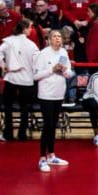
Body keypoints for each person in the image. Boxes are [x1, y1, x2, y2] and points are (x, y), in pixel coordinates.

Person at [32, 29, 74, 172]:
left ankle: (52, 155)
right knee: (47, 125)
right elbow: (36, 76)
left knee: (53, 125)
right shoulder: (43, 54)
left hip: (58, 94)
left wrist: (63, 70)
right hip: (46, 94)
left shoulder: (63, 53)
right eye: (55, 36)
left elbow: (69, 73)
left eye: (59, 36)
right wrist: (52, 69)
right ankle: (42, 158)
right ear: (49, 39)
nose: (58, 38)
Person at [0, 20, 40, 142]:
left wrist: (3, 65)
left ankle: (8, 134)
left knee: (8, 107)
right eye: (30, 27)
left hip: (12, 78)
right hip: (27, 80)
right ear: (24, 29)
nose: (31, 30)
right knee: (25, 107)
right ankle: (22, 135)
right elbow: (37, 62)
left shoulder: (9, 41)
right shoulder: (32, 45)